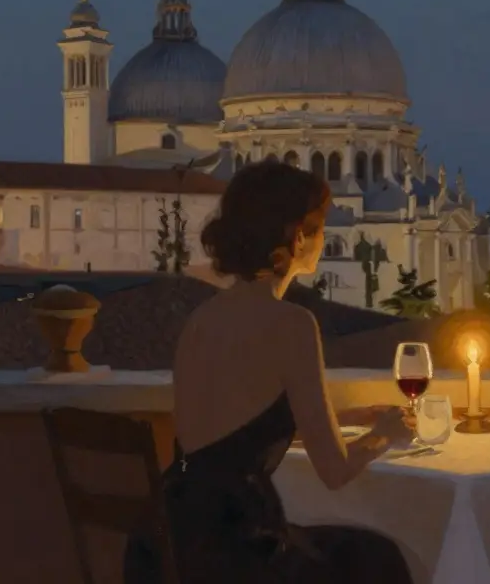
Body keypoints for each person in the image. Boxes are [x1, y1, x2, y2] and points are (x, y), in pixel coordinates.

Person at [126, 161, 416, 584]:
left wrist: (347, 419)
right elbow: (334, 472)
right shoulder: (292, 325)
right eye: (319, 226)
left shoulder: (202, 319)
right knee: (377, 556)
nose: (324, 237)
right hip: (235, 554)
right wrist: (385, 433)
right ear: (298, 237)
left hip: (164, 542)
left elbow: (225, 435)